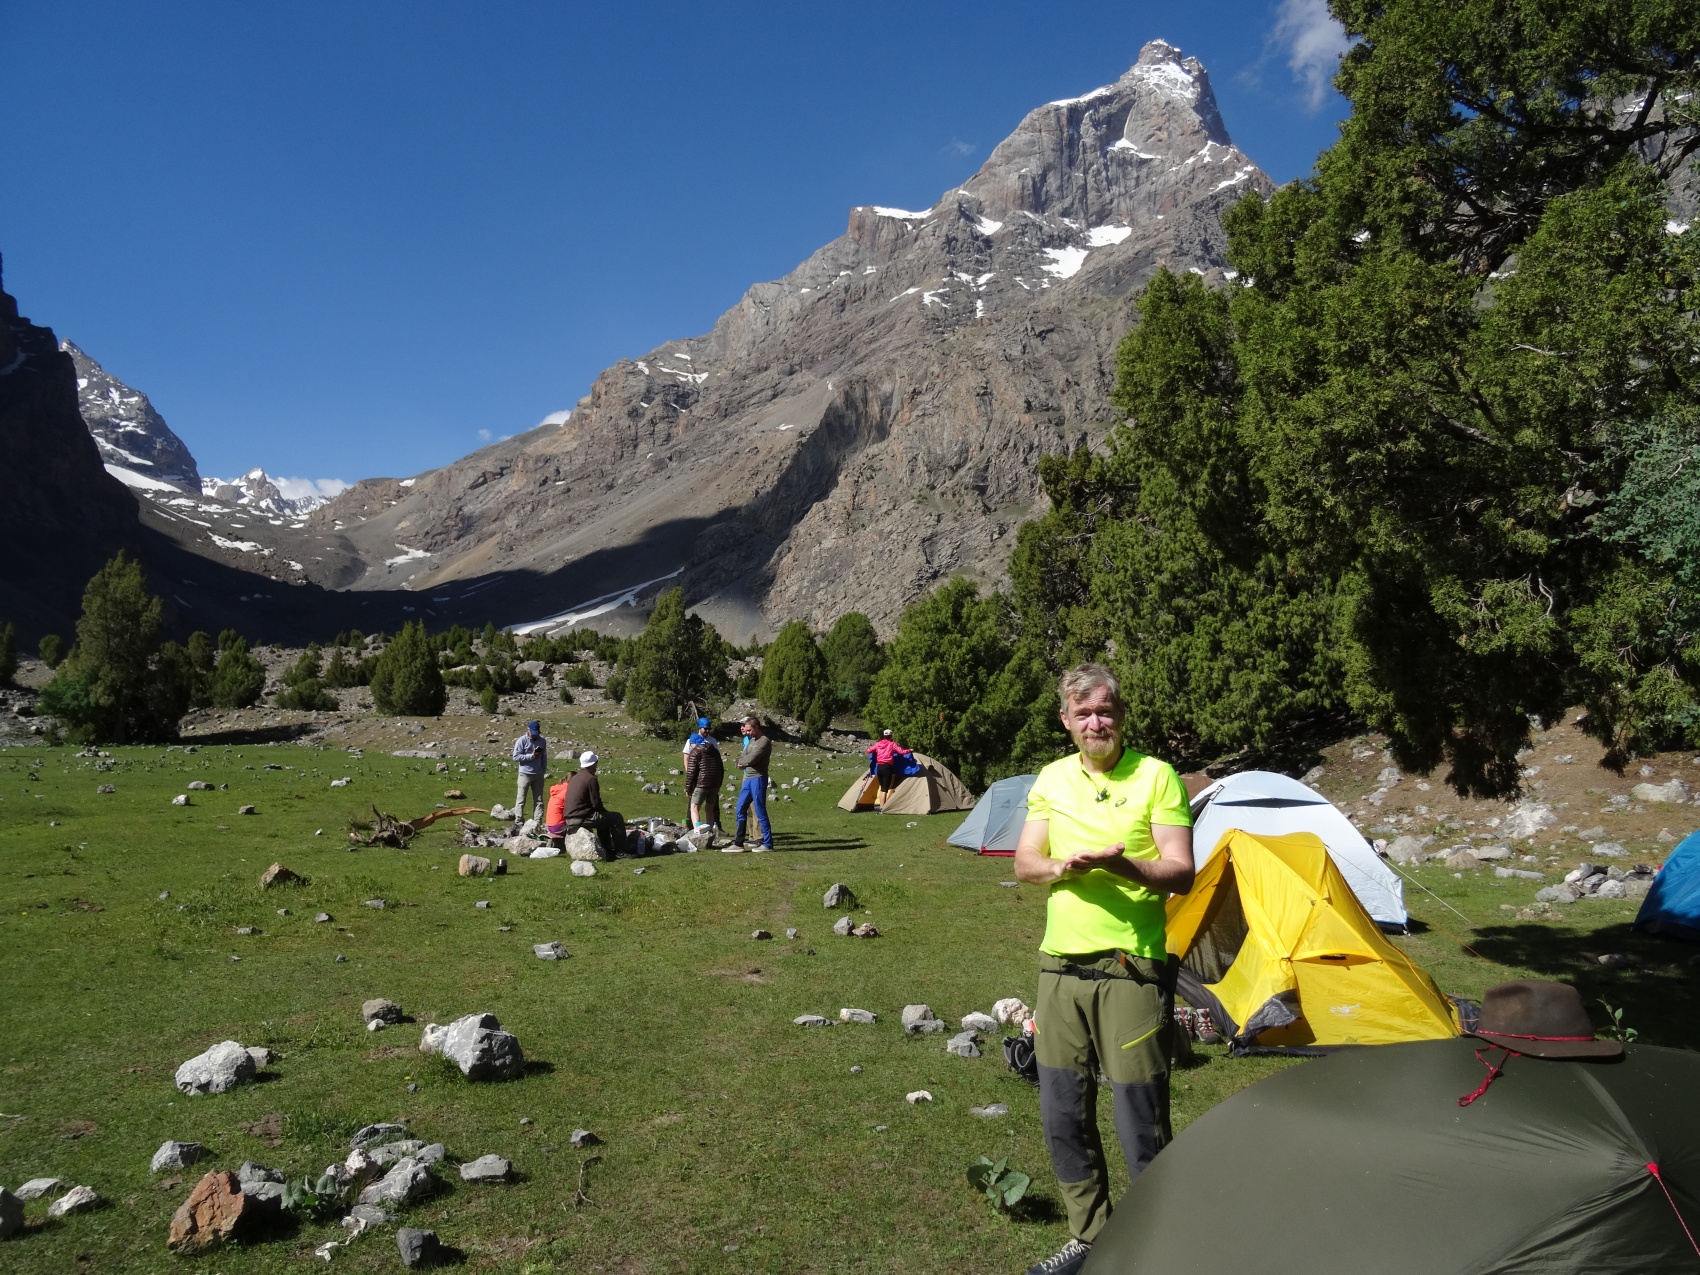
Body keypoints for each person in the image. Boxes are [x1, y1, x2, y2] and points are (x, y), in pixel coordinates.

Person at [1012, 663, 1194, 1275]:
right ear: (1066, 721)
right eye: (1082, 713)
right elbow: (1025, 863)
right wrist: (1067, 866)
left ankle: (1155, 1245)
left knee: (1140, 1119)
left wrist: (1122, 868)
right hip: (1060, 968)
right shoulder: (1052, 779)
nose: (1096, 722)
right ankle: (1090, 1237)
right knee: (1063, 1113)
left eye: (1105, 711)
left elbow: (1181, 870)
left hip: (1132, 970)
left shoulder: (1157, 776)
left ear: (1120, 715)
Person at [559, 750, 626, 857]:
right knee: (616, 818)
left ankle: (606, 849)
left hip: (569, 817)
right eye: (596, 762)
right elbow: (596, 803)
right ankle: (621, 851)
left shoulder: (575, 778)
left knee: (603, 820)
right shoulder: (591, 779)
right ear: (592, 764)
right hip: (581, 817)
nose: (597, 764)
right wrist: (604, 812)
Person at [728, 714, 773, 852]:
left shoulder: (764, 741)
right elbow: (743, 756)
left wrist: (744, 762)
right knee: (740, 808)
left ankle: (767, 843)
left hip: (758, 778)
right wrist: (743, 762)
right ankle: (738, 842)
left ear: (756, 727)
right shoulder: (751, 741)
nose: (747, 733)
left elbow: (753, 758)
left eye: (749, 730)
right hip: (748, 779)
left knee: (759, 810)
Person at [685, 725, 725, 831]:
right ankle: (709, 831)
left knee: (694, 807)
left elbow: (691, 772)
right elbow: (721, 768)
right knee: (709, 809)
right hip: (714, 784)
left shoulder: (696, 752)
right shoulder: (714, 751)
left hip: (701, 783)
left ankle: (698, 830)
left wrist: (688, 788)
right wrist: (719, 784)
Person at [866, 728, 914, 810]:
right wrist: (909, 750)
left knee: (882, 788)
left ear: (884, 736)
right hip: (887, 767)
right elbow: (901, 752)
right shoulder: (892, 744)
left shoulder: (878, 744)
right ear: (890, 736)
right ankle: (882, 807)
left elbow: (869, 750)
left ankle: (881, 806)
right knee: (885, 789)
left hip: (879, 767)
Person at [511, 720, 548, 825]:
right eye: (532, 732)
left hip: (538, 774)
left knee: (539, 800)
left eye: (536, 733)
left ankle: (537, 821)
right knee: (521, 799)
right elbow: (516, 757)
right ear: (528, 730)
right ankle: (519, 821)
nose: (534, 735)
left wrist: (543, 769)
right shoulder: (521, 741)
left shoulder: (542, 741)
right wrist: (532, 756)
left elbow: (544, 756)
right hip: (525, 774)